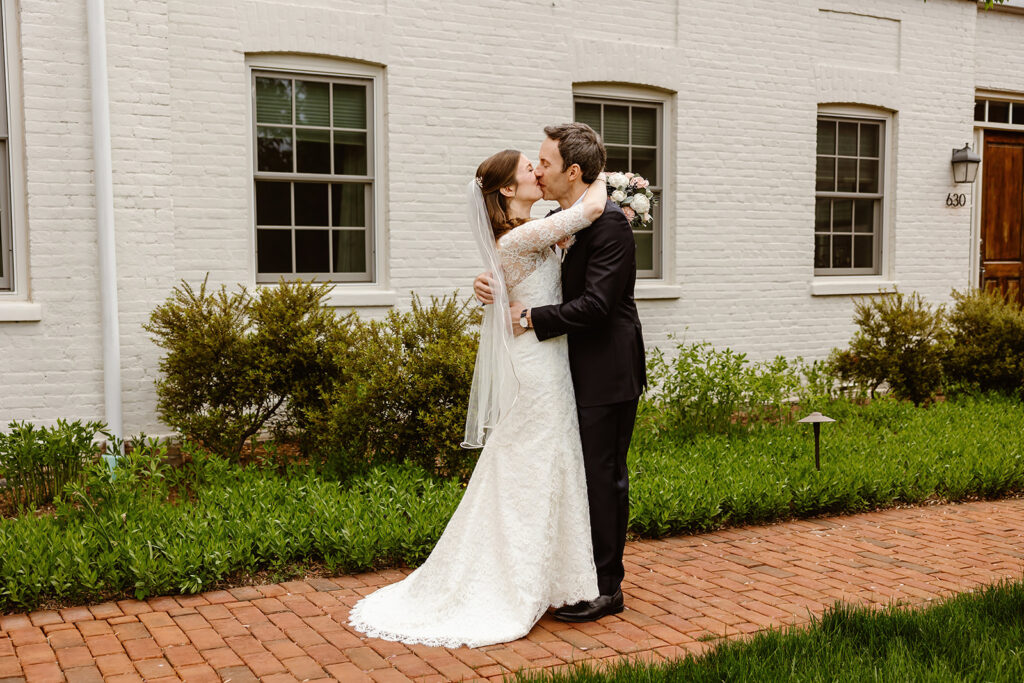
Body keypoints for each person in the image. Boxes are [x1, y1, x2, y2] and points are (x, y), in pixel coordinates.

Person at [348, 148, 609, 648]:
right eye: (528, 170)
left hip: (545, 356)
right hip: (535, 366)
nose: (537, 171)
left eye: (539, 165)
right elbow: (589, 211)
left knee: (544, 464)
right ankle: (516, 582)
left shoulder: (526, 233)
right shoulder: (519, 237)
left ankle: (558, 578)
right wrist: (611, 179)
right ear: (507, 190)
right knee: (533, 465)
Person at [475, 123, 646, 622]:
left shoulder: (608, 223)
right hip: (568, 368)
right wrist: (490, 281)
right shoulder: (562, 218)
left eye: (545, 163)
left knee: (605, 477)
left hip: (607, 371)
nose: (539, 170)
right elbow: (518, 254)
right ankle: (579, 575)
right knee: (581, 476)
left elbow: (595, 306)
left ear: (573, 171)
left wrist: (529, 317)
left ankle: (608, 589)